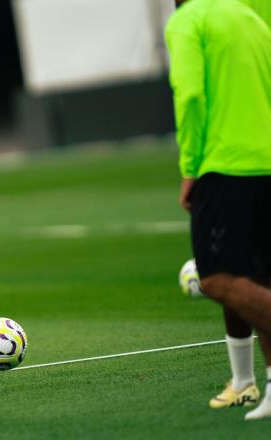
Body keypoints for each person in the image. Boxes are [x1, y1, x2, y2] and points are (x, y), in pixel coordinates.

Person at [165, 0, 271, 420]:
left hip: (226, 165)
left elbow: (189, 95)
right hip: (266, 162)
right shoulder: (249, 16)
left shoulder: (188, 20)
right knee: (260, 274)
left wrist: (190, 167)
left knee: (217, 279)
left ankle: (245, 383)